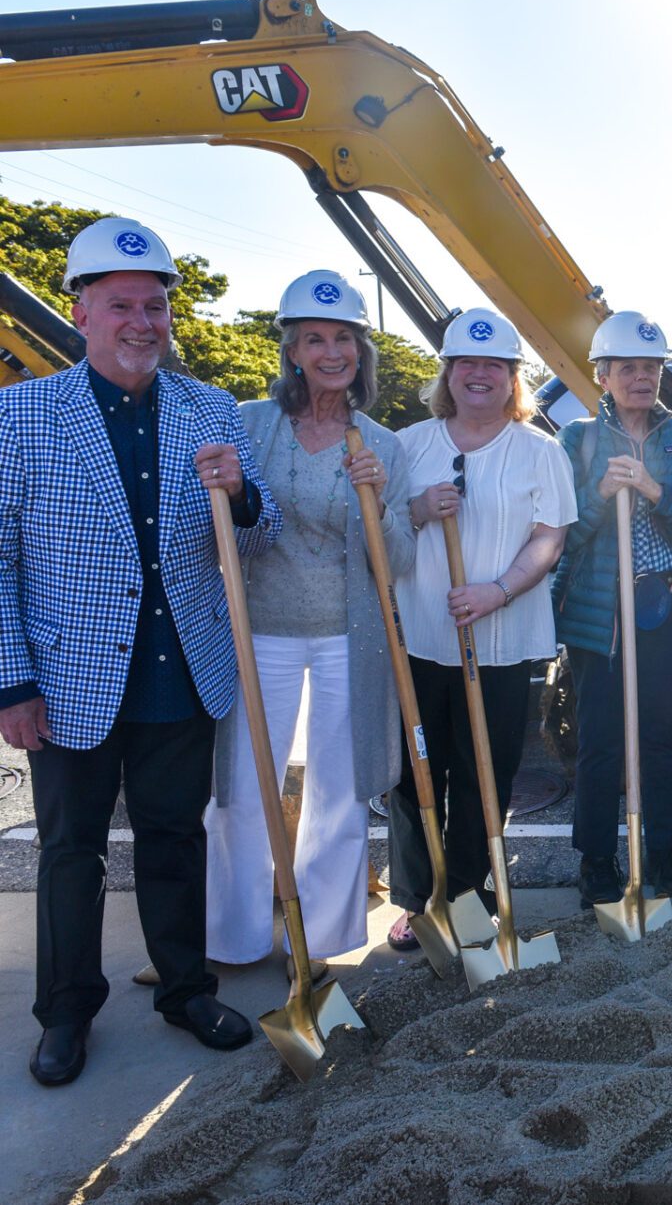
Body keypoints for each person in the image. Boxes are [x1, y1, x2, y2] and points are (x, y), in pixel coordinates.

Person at [0, 217, 281, 1085]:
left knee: (172, 839)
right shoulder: (21, 412)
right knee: (71, 851)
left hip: (180, 671)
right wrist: (11, 680)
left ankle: (185, 990)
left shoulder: (209, 407)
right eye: (120, 304)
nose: (140, 322)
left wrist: (241, 497)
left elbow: (256, 536)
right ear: (81, 313)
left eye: (154, 306)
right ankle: (67, 1011)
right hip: (71, 677)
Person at [204, 271, 413, 978]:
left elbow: (402, 561)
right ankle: (231, 937)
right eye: (314, 338)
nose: (331, 352)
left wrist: (380, 502)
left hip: (345, 638)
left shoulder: (384, 442)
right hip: (255, 627)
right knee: (237, 786)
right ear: (291, 349)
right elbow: (218, 525)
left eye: (344, 338)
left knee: (339, 790)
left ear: (362, 352)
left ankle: (314, 940)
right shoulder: (248, 422)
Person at [386, 309, 574, 950]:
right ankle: (418, 901)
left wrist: (497, 591)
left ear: (513, 378)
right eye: (467, 362)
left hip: (499, 644)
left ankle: (470, 900)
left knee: (483, 774)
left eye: (495, 364)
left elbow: (551, 535)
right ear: (448, 372)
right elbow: (377, 533)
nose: (480, 374)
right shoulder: (408, 444)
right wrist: (415, 508)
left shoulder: (540, 450)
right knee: (414, 776)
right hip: (418, 639)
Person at [553, 312, 672, 906]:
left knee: (660, 736)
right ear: (602, 375)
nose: (641, 378)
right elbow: (562, 536)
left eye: (650, 367)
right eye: (627, 368)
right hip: (600, 609)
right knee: (600, 737)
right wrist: (601, 494)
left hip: (666, 603)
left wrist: (654, 489)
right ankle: (597, 860)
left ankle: (664, 852)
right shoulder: (579, 440)